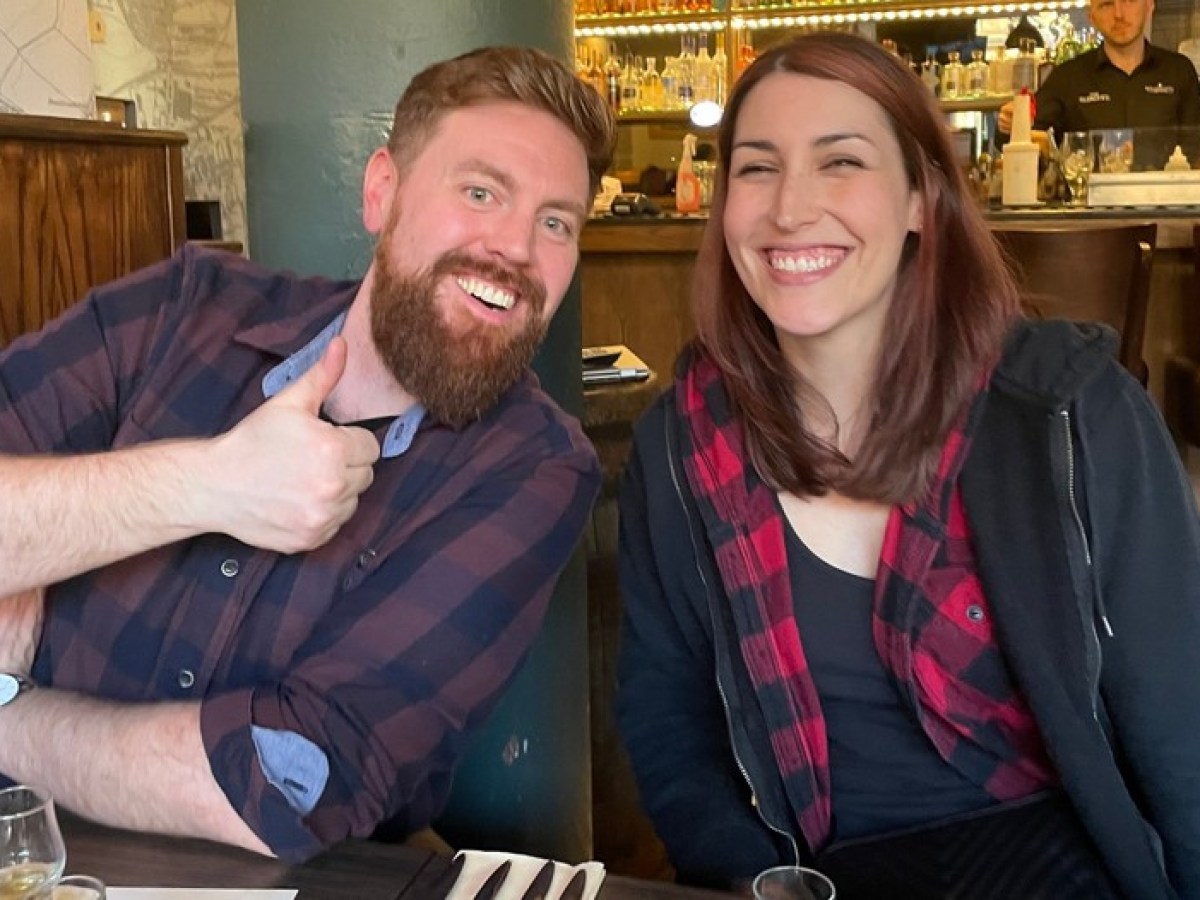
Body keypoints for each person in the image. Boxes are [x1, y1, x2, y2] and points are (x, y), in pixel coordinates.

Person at [616, 31, 1199, 900]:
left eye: (841, 161)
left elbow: (1180, 721)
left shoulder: (1071, 415)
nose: (790, 209)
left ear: (922, 198)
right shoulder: (679, 447)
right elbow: (667, 718)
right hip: (816, 872)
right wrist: (753, 879)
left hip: (1056, 860)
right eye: (758, 168)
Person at [0, 45, 615, 861]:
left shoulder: (531, 468)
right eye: (480, 192)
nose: (518, 248)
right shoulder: (186, 308)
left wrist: (12, 711)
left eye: (556, 222)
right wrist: (205, 485)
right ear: (382, 191)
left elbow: (297, 778)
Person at [997, 0, 1200, 164]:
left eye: (1129, 1)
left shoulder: (1179, 71)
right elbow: (1019, 135)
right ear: (1091, 17)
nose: (1119, 14)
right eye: (1106, 4)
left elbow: (1196, 149)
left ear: (1149, 6)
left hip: (1167, 201)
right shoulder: (1068, 77)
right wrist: (1011, 122)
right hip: (1089, 201)